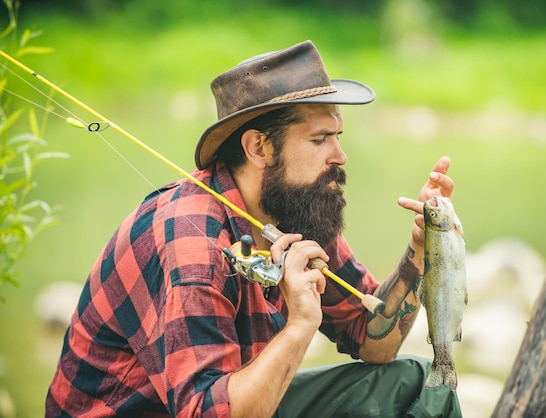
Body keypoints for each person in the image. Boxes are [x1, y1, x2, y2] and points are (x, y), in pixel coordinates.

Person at [45, 40, 462, 417]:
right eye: (320, 140)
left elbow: (375, 341)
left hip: (239, 405)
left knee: (420, 385)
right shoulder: (192, 242)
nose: (340, 156)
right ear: (258, 148)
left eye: (338, 136)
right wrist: (300, 324)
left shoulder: (300, 208)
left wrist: (421, 249)